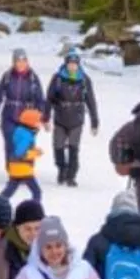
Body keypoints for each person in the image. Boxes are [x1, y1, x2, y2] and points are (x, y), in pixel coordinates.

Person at [45, 49, 99, 186]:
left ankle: (71, 175)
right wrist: (45, 117)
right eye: (70, 64)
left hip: (77, 118)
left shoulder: (85, 80)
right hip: (60, 117)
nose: (72, 67)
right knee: (58, 146)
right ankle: (61, 168)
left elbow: (91, 101)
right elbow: (49, 99)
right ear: (66, 64)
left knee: (74, 148)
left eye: (75, 64)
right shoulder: (57, 78)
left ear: (78, 65)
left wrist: (94, 121)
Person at [0, 48, 47, 162]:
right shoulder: (7, 77)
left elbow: (40, 99)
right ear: (13, 62)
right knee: (11, 145)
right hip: (9, 116)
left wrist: (43, 118)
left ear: (27, 61)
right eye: (18, 61)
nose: (21, 64)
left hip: (27, 118)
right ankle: (13, 174)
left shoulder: (33, 78)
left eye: (23, 60)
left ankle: (27, 174)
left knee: (26, 146)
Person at [1, 108, 45, 203]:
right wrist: (35, 153)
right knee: (37, 192)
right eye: (37, 122)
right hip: (23, 168)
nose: (39, 124)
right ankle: (34, 209)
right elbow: (20, 153)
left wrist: (34, 150)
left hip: (14, 167)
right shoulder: (26, 135)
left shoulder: (19, 131)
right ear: (31, 122)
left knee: (9, 191)